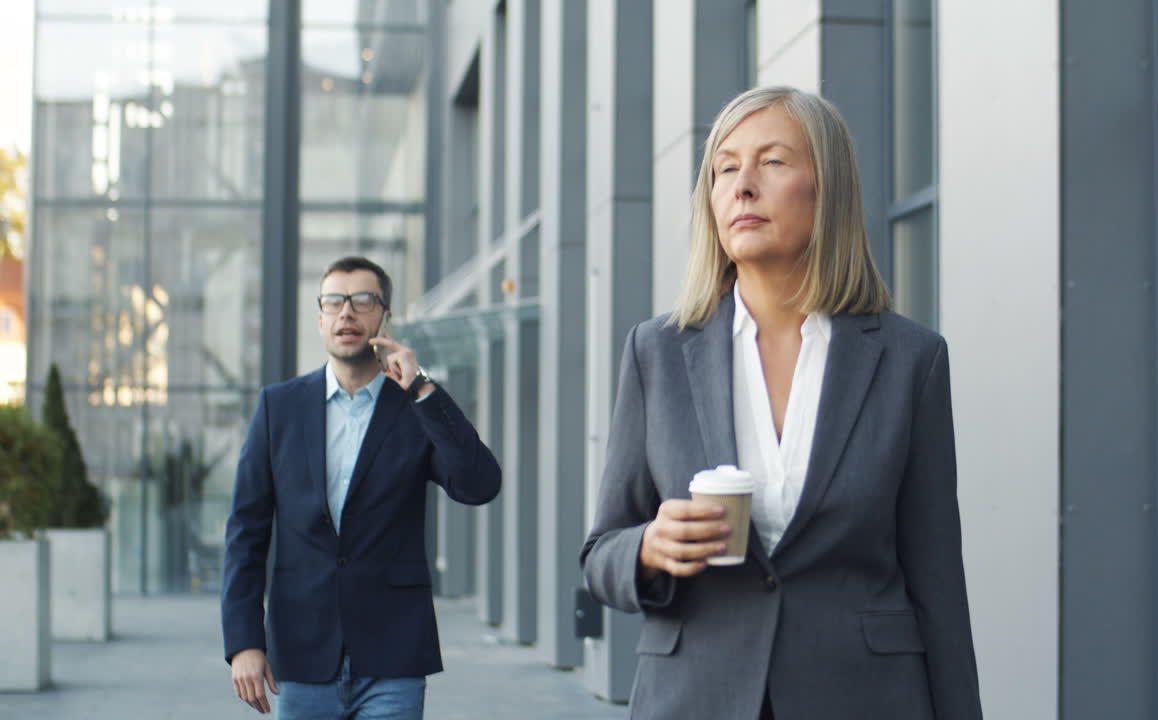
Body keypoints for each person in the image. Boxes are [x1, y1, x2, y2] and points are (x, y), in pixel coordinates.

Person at [580, 86, 982, 719]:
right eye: (725, 169)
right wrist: (648, 548)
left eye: (771, 162)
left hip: (861, 699)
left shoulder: (911, 360)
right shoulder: (656, 352)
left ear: (828, 188)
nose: (742, 186)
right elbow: (600, 553)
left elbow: (938, 582)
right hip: (697, 699)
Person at [221, 256, 501, 718]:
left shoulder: (414, 407)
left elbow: (479, 484)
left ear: (385, 317)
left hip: (393, 655)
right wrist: (244, 642)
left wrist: (424, 389)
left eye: (363, 300)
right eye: (334, 302)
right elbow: (245, 534)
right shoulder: (279, 408)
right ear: (321, 319)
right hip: (303, 653)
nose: (347, 313)